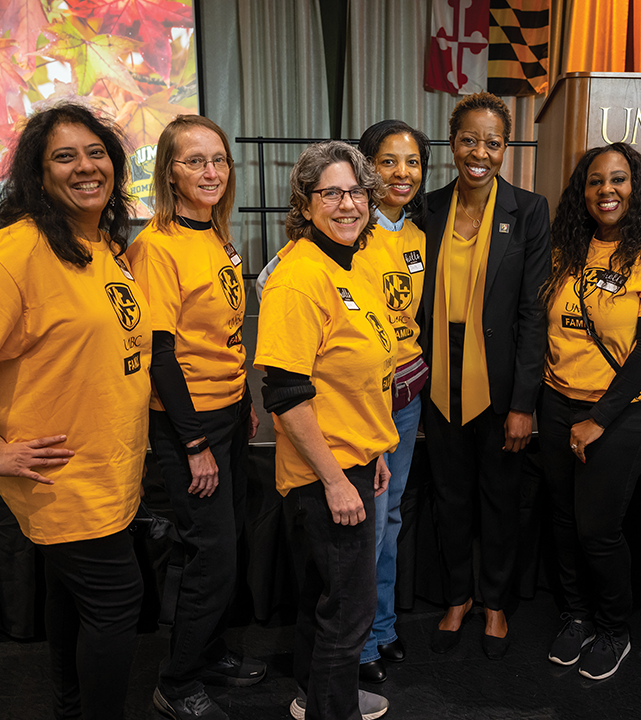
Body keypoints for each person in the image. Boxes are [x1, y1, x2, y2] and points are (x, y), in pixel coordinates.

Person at [0, 102, 150, 720]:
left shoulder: (98, 244)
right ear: (37, 176)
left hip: (107, 464)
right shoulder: (21, 249)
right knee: (116, 600)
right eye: (63, 157)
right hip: (62, 473)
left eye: (95, 152)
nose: (85, 166)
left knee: (72, 597)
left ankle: (69, 707)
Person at [125, 115, 265, 720]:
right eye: (194, 161)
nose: (211, 172)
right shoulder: (157, 246)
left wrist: (244, 403)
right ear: (169, 173)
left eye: (218, 160)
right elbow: (160, 356)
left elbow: (226, 334)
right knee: (212, 555)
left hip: (228, 410)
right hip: (189, 423)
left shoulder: (216, 235)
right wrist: (195, 443)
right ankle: (177, 681)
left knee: (210, 547)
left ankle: (206, 653)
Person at [255, 141, 396, 720]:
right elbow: (285, 396)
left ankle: (318, 698)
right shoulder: (299, 277)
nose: (347, 204)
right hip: (325, 476)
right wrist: (338, 480)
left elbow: (354, 377)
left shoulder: (350, 264)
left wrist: (376, 449)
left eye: (357, 192)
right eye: (331, 193)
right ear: (306, 203)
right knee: (347, 615)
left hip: (355, 460)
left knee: (326, 600)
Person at [539, 143, 641, 679]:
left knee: (598, 529)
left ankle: (612, 628)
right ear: (582, 191)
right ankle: (576, 615)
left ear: (637, 187)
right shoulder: (566, 246)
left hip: (619, 413)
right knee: (560, 520)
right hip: (556, 402)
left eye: (619, 180)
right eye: (596, 181)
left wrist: (598, 419)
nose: (607, 190)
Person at [419, 92, 551, 660]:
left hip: (499, 379)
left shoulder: (529, 210)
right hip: (437, 370)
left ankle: (494, 601)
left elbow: (531, 313)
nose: (480, 152)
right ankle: (457, 596)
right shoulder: (427, 208)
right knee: (449, 495)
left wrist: (524, 403)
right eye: (469, 140)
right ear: (452, 143)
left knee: (499, 496)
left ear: (506, 147)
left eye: (492, 142)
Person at [351, 120, 432, 684]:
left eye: (412, 162)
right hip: (363, 398)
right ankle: (355, 644)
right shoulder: (350, 231)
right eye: (388, 161)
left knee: (393, 515)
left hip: (406, 394)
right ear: (365, 166)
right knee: (370, 521)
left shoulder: (418, 236)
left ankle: (381, 630)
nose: (401, 173)